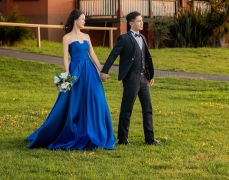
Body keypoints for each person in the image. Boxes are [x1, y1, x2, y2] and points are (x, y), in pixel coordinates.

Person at [26, 10, 115, 150]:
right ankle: (70, 130)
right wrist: (67, 75)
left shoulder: (86, 36)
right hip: (76, 71)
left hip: (90, 71)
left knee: (97, 99)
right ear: (75, 20)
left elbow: (92, 54)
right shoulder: (66, 38)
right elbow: (65, 58)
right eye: (82, 19)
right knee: (73, 101)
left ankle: (96, 132)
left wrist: (102, 70)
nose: (84, 21)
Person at [100, 11, 159, 146]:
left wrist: (150, 75)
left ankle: (150, 138)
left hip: (143, 79)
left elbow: (146, 58)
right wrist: (104, 71)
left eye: (142, 20)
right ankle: (123, 139)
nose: (141, 23)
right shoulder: (124, 38)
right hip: (131, 78)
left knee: (148, 108)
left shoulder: (142, 38)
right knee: (127, 109)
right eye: (139, 21)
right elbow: (113, 55)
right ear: (131, 23)